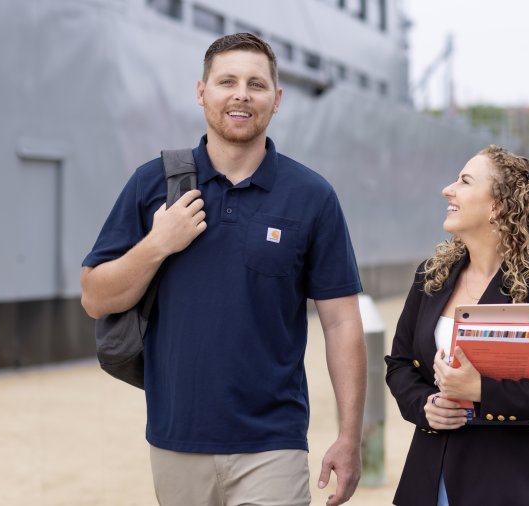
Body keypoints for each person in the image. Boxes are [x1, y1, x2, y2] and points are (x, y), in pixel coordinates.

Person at [80, 33, 366, 506]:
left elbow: (341, 321)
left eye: (256, 84)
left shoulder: (312, 196)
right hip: (175, 439)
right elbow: (95, 297)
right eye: (226, 81)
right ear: (201, 92)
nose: (241, 94)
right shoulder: (152, 184)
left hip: (273, 441)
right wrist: (158, 243)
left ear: (276, 100)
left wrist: (349, 435)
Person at [384, 145, 529, 506]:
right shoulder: (430, 276)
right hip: (429, 477)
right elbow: (400, 365)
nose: (448, 189)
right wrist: (425, 405)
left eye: (464, 182)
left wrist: (482, 390)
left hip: (512, 481)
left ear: (497, 205)